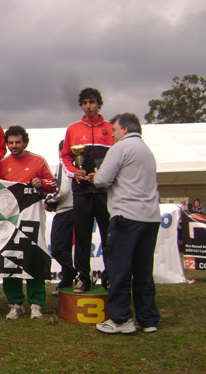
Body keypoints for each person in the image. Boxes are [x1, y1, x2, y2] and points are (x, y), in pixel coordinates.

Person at [90, 113, 161, 334]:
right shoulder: (147, 151)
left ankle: (121, 320)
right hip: (150, 218)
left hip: (126, 217)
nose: (112, 135)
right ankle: (148, 319)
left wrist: (94, 176)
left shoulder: (120, 148)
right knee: (143, 271)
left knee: (120, 269)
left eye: (114, 131)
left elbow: (102, 180)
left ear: (125, 130)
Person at [0, 126, 56, 319]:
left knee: (34, 258)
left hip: (33, 219)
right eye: (11, 143)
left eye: (18, 142)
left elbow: (53, 184)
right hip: (10, 220)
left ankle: (36, 304)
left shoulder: (38, 161)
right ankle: (15, 303)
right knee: (10, 258)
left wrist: (42, 184)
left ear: (24, 142)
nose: (14, 146)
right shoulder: (3, 164)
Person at [60, 87, 113, 293]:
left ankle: (109, 277)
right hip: (81, 191)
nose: (88, 106)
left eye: (92, 102)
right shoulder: (73, 129)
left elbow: (116, 159)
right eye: (85, 103)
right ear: (81, 106)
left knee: (109, 236)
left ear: (99, 104)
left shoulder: (110, 128)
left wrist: (101, 176)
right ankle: (83, 278)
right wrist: (75, 172)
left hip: (104, 191)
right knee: (82, 236)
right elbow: (65, 157)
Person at [45, 140, 76, 294]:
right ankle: (68, 282)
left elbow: (62, 191)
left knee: (58, 249)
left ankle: (73, 273)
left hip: (65, 211)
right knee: (67, 248)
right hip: (78, 209)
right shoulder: (78, 164)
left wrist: (48, 200)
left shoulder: (64, 165)